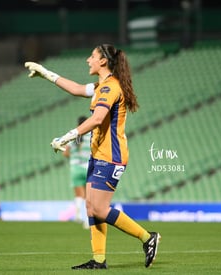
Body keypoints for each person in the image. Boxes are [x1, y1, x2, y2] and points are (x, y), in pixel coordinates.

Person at [25, 44, 160, 269]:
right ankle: (98, 260)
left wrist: (68, 136)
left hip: (111, 156)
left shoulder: (109, 88)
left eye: (92, 56)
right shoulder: (102, 86)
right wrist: (46, 74)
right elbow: (77, 89)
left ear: (103, 61)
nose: (88, 60)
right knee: (91, 207)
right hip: (99, 155)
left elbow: (97, 119)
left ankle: (148, 238)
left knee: (99, 208)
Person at [62, 116, 90, 229]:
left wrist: (74, 156)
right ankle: (88, 221)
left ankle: (78, 215)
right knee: (89, 196)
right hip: (88, 167)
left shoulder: (73, 135)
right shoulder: (91, 135)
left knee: (79, 195)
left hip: (75, 168)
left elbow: (65, 153)